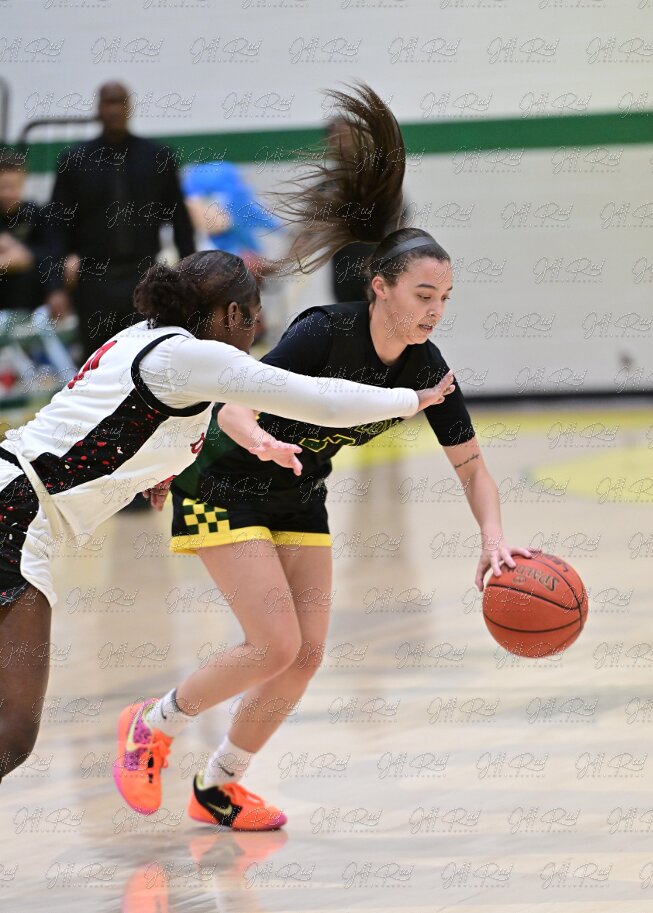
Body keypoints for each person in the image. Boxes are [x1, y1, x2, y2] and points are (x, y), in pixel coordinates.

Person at [114, 85, 530, 834]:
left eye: (444, 297)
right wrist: (261, 441)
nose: (434, 310)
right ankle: (152, 723)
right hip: (225, 481)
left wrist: (493, 538)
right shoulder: (322, 332)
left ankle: (218, 785)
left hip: (300, 493)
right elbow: (233, 400)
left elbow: (472, 466)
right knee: (272, 644)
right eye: (422, 294)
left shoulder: (426, 367)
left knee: (304, 655)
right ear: (380, 287)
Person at [0, 248, 454, 785]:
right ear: (232, 313)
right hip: (17, 515)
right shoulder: (195, 357)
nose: (255, 332)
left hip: (15, 497)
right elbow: (321, 401)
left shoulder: (143, 339)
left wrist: (155, 471)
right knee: (12, 733)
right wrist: (411, 399)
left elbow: (108, 419)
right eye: (253, 318)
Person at [45, 81, 196, 356]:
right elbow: (56, 227)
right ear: (98, 108)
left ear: (130, 107)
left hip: (143, 277)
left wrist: (190, 276)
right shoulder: (75, 160)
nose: (114, 109)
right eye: (108, 102)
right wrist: (56, 287)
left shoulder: (157, 158)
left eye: (120, 102)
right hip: (92, 280)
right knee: (94, 359)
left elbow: (180, 221)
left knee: (143, 357)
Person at [0, 149, 52, 313]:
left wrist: (26, 255)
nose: (8, 193)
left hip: (30, 303)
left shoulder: (35, 213)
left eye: (13, 187)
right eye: (3, 187)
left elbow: (48, 254)